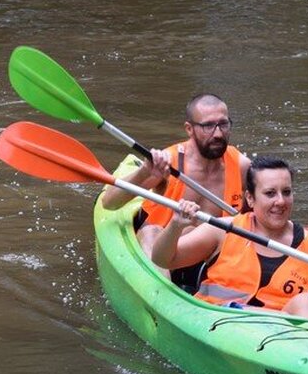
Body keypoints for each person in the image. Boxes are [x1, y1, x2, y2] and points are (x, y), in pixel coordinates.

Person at [151, 156, 308, 321]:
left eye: (287, 192)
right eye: (270, 193)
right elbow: (163, 260)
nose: (280, 201)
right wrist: (175, 226)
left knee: (307, 302)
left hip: (279, 334)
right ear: (250, 198)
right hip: (219, 320)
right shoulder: (224, 229)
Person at [100, 93, 251, 286]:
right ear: (189, 129)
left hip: (208, 256)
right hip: (160, 254)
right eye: (208, 126)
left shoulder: (241, 166)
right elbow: (110, 203)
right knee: (151, 232)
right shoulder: (167, 164)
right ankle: (160, 294)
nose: (218, 134)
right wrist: (144, 172)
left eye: (223, 124)